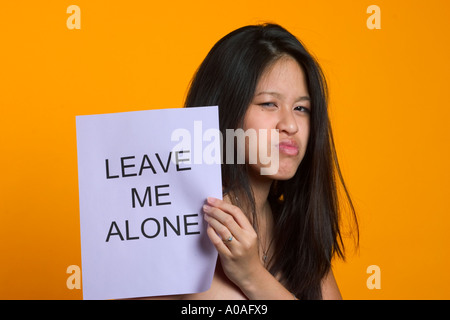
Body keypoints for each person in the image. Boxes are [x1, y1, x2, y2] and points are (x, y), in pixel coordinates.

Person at [158, 23, 357, 300]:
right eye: (268, 104)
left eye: (301, 108)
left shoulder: (294, 227)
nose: (290, 125)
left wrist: (252, 275)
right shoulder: (171, 226)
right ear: (224, 112)